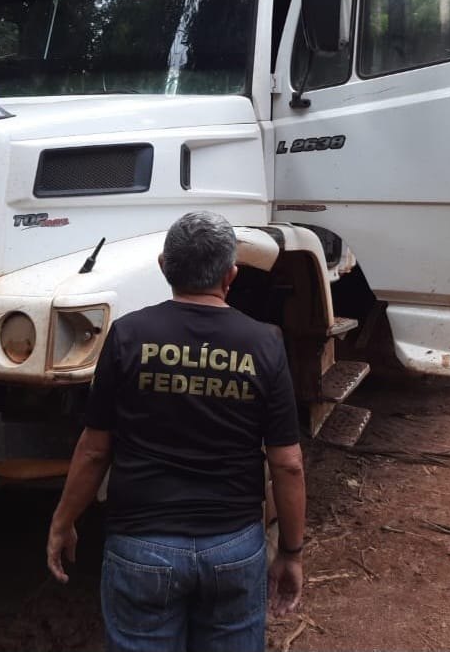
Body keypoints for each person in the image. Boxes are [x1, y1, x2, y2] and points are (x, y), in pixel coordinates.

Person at [46, 210, 306, 652]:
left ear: (165, 266)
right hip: (234, 545)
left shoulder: (128, 335)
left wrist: (63, 522)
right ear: (231, 274)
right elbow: (288, 463)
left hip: (141, 547)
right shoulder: (264, 343)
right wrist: (291, 553)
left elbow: (94, 450)